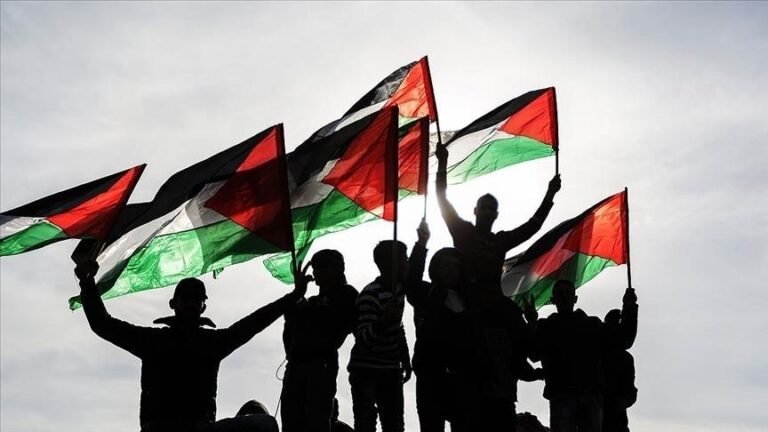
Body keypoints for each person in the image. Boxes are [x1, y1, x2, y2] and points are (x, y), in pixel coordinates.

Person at [76, 260, 300, 432]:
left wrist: (292, 298)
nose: (192, 304)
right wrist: (87, 283)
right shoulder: (153, 340)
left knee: (264, 424)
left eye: (197, 300)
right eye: (187, 299)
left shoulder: (212, 342)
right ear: (174, 304)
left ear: (203, 307)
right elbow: (103, 324)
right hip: (159, 429)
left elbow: (252, 324)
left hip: (199, 428)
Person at [435, 142, 561, 288]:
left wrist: (550, 194)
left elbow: (533, 226)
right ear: (475, 211)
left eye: (491, 209)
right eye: (484, 208)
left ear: (496, 214)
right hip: (465, 297)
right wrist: (442, 163)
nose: (487, 211)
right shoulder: (462, 231)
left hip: (492, 298)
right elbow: (442, 198)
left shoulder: (501, 241)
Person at [525, 280, 638, 432]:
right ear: (553, 300)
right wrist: (531, 323)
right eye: (560, 293)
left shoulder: (592, 325)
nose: (564, 296)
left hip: (589, 396)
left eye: (568, 292)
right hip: (562, 396)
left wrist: (629, 306)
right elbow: (533, 354)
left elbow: (623, 339)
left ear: (575, 298)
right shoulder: (546, 327)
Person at [405, 220, 474, 432]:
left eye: (456, 266)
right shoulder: (427, 293)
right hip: (431, 377)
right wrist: (421, 245)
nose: (452, 270)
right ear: (437, 268)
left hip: (463, 379)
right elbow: (411, 283)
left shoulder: (469, 300)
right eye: (447, 266)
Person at [280, 250, 358, 432]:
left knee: (315, 421)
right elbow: (290, 325)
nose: (316, 272)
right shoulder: (310, 301)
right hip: (296, 365)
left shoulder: (347, 294)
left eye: (323, 266)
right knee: (291, 423)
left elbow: (340, 325)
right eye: (315, 267)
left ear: (337, 269)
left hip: (321, 364)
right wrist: (297, 294)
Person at [348, 240, 412, 432]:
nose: (408, 264)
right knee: (366, 423)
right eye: (404, 259)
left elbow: (398, 328)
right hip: (366, 370)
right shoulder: (370, 295)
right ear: (391, 265)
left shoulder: (399, 291)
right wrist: (382, 322)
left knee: (394, 424)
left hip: (391, 368)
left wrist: (405, 358)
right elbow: (363, 340)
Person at [602, 309, 638, 432]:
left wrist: (624, 401)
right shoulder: (625, 358)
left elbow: (630, 390)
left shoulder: (625, 358)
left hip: (614, 417)